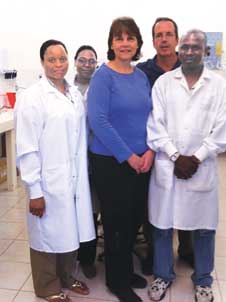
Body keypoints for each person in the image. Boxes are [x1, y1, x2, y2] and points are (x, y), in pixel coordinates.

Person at [146, 29, 226, 302]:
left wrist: (195, 158)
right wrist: (176, 156)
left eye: (196, 47)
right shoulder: (163, 83)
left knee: (205, 228)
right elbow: (155, 125)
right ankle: (163, 275)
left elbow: (223, 129)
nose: (189, 51)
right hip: (168, 167)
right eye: (185, 46)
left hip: (201, 169)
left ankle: (203, 279)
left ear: (205, 51)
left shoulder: (220, 86)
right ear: (178, 50)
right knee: (162, 226)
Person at [14, 39, 95, 302]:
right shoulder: (32, 97)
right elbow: (26, 148)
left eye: (62, 59)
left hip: (73, 179)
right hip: (48, 180)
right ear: (42, 62)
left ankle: (66, 275)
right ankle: (47, 286)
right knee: (47, 235)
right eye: (52, 59)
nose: (58, 64)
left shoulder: (73, 93)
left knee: (69, 231)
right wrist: (34, 190)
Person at [87, 17, 154, 302]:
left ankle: (125, 270)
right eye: (119, 38)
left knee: (134, 220)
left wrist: (149, 150)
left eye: (130, 38)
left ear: (138, 43)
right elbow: (99, 121)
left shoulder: (140, 76)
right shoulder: (103, 76)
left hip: (141, 161)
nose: (125, 43)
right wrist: (128, 156)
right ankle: (117, 281)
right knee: (116, 222)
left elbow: (152, 117)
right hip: (111, 162)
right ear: (111, 44)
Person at [137, 17, 194, 275]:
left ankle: (187, 248)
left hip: (187, 147)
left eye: (168, 34)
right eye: (158, 35)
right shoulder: (143, 72)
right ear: (153, 41)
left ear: (177, 39)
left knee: (188, 198)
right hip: (156, 147)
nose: (163, 39)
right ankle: (154, 251)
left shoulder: (192, 68)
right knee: (156, 203)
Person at [74, 45, 98, 279]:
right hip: (70, 158)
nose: (87, 65)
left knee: (92, 209)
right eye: (83, 60)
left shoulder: (99, 87)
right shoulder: (65, 88)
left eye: (92, 61)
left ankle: (88, 258)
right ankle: (73, 255)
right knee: (71, 209)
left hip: (95, 156)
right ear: (75, 62)